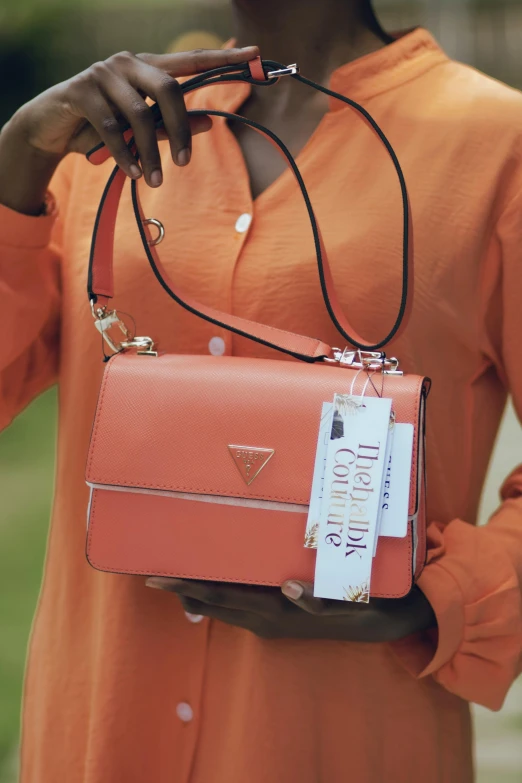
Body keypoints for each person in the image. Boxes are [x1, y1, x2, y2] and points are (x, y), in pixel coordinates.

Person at [1, 1, 521, 781]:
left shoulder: (498, 145)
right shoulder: (106, 138)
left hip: (337, 741)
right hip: (98, 737)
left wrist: (434, 600)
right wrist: (15, 168)